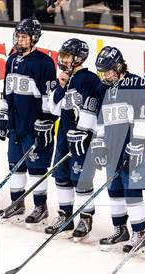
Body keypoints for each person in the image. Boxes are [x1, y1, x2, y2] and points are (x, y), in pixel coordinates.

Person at [91, 46, 145, 253]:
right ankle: (120, 230)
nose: (105, 75)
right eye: (102, 72)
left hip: (133, 148)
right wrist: (99, 143)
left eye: (108, 71)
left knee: (132, 191)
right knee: (115, 190)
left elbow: (144, 117)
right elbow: (100, 119)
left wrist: (138, 146)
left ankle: (139, 233)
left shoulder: (136, 84)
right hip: (112, 148)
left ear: (118, 67)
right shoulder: (103, 88)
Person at [0, 18, 57, 224]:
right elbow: (8, 92)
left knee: (37, 168)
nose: (19, 40)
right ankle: (17, 203)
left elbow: (49, 97)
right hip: (15, 124)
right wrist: (2, 116)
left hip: (34, 126)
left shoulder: (45, 63)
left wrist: (47, 121)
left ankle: (41, 206)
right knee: (15, 166)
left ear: (34, 38)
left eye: (24, 37)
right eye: (18, 36)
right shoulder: (12, 59)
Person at [42, 38, 100, 240]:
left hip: (82, 139)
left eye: (67, 56)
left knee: (80, 180)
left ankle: (86, 217)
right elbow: (54, 108)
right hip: (64, 137)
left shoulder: (89, 79)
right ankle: (65, 216)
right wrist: (60, 86)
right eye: (63, 55)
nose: (63, 59)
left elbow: (93, 107)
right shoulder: (66, 79)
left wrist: (84, 133)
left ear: (79, 58)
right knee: (61, 177)